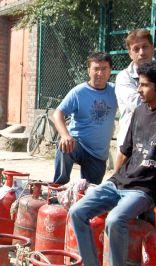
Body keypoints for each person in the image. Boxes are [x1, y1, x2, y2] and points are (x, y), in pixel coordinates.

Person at [69, 60, 156, 266]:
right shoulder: (139, 111)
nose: (139, 90)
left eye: (144, 85)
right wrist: (111, 181)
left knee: (115, 220)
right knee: (77, 212)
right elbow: (125, 150)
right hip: (120, 182)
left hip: (144, 190)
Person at [52, 52, 118, 185]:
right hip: (78, 144)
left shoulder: (115, 91)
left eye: (104, 69)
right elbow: (57, 113)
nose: (100, 73)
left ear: (110, 70)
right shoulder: (79, 92)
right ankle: (57, 187)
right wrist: (65, 135)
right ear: (89, 71)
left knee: (90, 193)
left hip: (98, 154)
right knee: (64, 146)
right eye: (96, 69)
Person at [114, 29, 155, 167]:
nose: (142, 52)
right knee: (118, 184)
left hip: (155, 142)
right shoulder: (124, 77)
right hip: (129, 144)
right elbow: (138, 103)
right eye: (136, 49)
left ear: (152, 48)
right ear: (130, 53)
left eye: (145, 47)